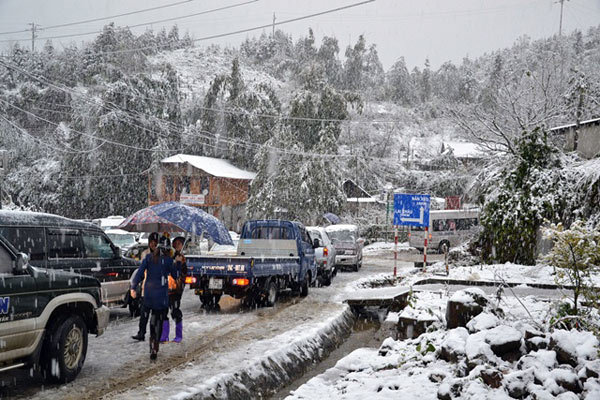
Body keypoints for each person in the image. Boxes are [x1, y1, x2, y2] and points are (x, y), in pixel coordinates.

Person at [130, 233, 180, 360]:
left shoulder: (148, 258)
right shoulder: (168, 261)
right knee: (160, 319)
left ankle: (150, 339)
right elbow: (176, 275)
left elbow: (140, 273)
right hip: (161, 295)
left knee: (149, 316)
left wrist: (133, 287)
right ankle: (155, 343)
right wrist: (177, 263)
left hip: (149, 293)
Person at [131, 232, 159, 342]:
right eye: (151, 242)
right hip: (146, 288)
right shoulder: (145, 254)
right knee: (144, 314)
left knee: (156, 315)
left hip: (158, 290)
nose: (153, 244)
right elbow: (141, 271)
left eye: (155, 242)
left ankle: (156, 334)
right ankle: (141, 333)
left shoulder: (162, 255)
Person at [160, 236, 188, 343]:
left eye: (179, 244)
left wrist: (178, 264)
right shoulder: (169, 256)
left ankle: (178, 335)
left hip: (175, 290)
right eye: (175, 243)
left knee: (175, 311)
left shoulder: (181, 257)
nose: (177, 245)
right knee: (164, 311)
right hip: (166, 288)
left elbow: (181, 275)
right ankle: (164, 335)